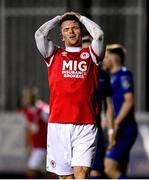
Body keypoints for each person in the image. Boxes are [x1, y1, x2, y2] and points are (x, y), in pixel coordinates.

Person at [35, 12, 104, 179]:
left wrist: (81, 18)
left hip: (85, 124)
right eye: (66, 30)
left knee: (81, 173)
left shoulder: (92, 55)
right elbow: (39, 34)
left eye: (75, 28)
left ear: (81, 31)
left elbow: (99, 35)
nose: (71, 32)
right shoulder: (54, 54)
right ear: (62, 35)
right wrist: (58, 19)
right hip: (58, 124)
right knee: (65, 177)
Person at [82, 35, 115, 179]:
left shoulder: (103, 76)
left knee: (95, 172)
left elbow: (108, 105)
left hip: (94, 129)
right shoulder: (72, 72)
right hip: (73, 128)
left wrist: (111, 130)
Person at [103, 44, 138, 179]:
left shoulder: (123, 75)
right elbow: (110, 106)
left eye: (106, 57)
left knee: (109, 168)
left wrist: (116, 123)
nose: (104, 60)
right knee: (119, 169)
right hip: (118, 128)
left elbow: (129, 101)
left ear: (113, 59)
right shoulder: (110, 77)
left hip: (125, 129)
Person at [19, 87, 49, 179]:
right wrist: (28, 145)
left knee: (32, 171)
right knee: (44, 172)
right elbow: (28, 130)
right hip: (36, 146)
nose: (26, 100)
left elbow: (53, 127)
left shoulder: (44, 109)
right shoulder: (26, 111)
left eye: (28, 97)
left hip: (45, 146)